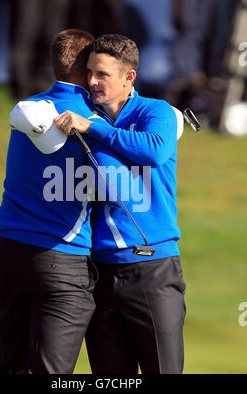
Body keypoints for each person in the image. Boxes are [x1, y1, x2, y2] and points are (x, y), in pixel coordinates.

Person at [55, 34, 186, 374]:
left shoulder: (156, 111)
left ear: (129, 77)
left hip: (153, 270)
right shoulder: (85, 114)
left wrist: (95, 129)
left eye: (103, 74)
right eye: (90, 73)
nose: (93, 82)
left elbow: (154, 150)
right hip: (98, 273)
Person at [0, 29, 114, 374]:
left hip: (8, 253)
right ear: (89, 68)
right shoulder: (99, 121)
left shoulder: (27, 109)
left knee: (9, 369)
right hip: (62, 257)